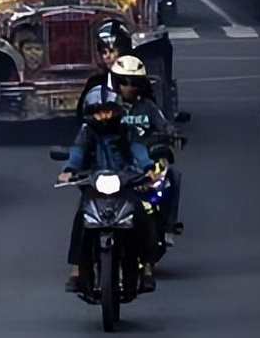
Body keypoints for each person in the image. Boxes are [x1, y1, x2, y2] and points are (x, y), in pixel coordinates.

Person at [58, 85, 158, 293]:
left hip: (125, 182)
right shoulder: (86, 132)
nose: (103, 116)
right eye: (98, 111)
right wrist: (69, 170)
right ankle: (77, 269)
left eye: (107, 110)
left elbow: (138, 150)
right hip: (92, 183)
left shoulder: (127, 131)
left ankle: (146, 267)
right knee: (81, 219)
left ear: (116, 110)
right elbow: (77, 153)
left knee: (141, 214)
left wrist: (148, 167)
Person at [110, 55, 182, 242]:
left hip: (146, 161)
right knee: (88, 192)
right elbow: (89, 127)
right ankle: (81, 258)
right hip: (113, 161)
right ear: (117, 83)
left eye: (135, 82)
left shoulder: (147, 107)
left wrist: (172, 133)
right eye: (126, 82)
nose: (131, 87)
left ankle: (168, 227)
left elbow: (163, 124)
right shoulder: (106, 106)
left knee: (172, 176)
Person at [74, 20, 134, 120]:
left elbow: (153, 119)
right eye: (103, 52)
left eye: (111, 51)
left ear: (124, 51)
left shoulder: (140, 83)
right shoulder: (94, 83)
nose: (107, 56)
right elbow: (81, 118)